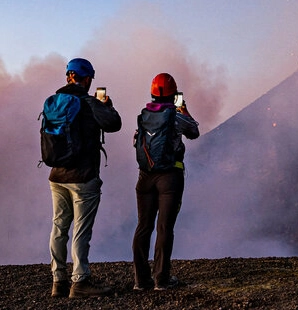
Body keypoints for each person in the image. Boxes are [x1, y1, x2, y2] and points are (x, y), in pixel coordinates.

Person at [46, 58, 122, 298]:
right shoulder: (89, 102)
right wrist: (107, 106)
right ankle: (80, 282)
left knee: (59, 226)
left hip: (57, 175)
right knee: (81, 230)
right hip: (83, 177)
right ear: (87, 79)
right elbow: (114, 124)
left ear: (68, 76)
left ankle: (58, 281)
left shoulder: (54, 101)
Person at [132, 73, 200, 291]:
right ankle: (161, 280)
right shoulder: (175, 116)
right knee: (164, 227)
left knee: (143, 226)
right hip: (169, 178)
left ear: (152, 92)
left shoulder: (143, 116)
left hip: (144, 177)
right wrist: (184, 109)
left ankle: (140, 281)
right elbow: (194, 132)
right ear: (173, 94)